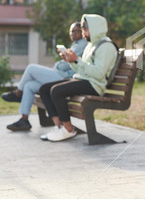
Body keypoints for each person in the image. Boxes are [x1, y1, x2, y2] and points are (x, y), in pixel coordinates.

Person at [39, 14, 117, 142]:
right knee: (44, 89)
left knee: (56, 91)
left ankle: (69, 129)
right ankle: (59, 127)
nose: (82, 31)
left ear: (95, 27)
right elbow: (82, 69)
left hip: (95, 85)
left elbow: (99, 73)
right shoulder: (91, 45)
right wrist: (71, 61)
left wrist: (78, 61)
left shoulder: (106, 46)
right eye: (82, 27)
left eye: (85, 27)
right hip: (84, 80)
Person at [3, 22, 88, 131]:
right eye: (72, 31)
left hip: (64, 78)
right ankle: (24, 120)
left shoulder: (82, 44)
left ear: (82, 32)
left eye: (77, 31)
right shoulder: (76, 44)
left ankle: (18, 93)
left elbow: (65, 64)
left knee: (31, 68)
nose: (74, 33)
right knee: (29, 86)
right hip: (59, 75)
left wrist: (58, 64)